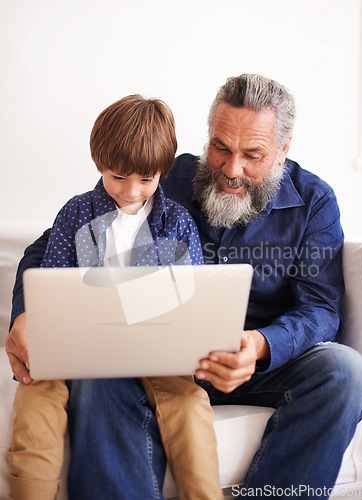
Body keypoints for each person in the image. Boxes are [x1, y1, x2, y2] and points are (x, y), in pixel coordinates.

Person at [6, 73, 362, 500]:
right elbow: (54, 244)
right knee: (100, 367)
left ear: (283, 149)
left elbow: (321, 309)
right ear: (208, 135)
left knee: (346, 373)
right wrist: (26, 314)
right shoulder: (157, 175)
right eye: (220, 148)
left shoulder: (314, 204)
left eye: (253, 154)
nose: (232, 169)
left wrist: (261, 345)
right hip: (158, 356)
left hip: (253, 361)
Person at [6, 95, 223, 500]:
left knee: (191, 406)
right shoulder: (76, 212)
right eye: (118, 176)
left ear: (162, 171)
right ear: (99, 164)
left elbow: (192, 295)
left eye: (146, 179)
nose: (131, 191)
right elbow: (49, 280)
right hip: (74, 348)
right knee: (36, 408)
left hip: (155, 352)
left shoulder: (176, 221)